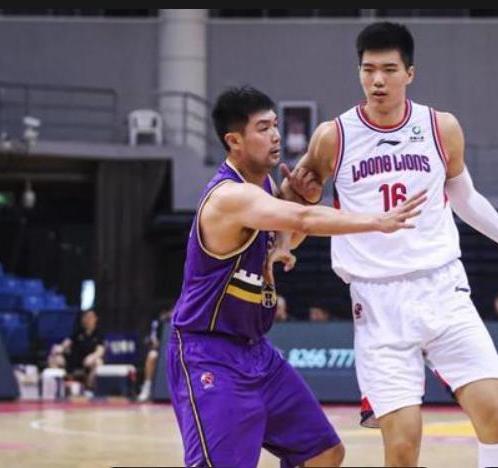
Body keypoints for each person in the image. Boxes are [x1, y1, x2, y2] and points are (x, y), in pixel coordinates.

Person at [279, 22, 498, 468]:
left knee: (494, 414)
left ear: (409, 73)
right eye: (368, 69)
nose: (377, 80)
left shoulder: (441, 127)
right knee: (402, 446)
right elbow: (298, 212)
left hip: (443, 287)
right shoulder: (333, 136)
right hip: (378, 300)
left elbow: (466, 199)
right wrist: (288, 234)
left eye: (389, 69)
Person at [167, 86, 426, 467]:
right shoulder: (229, 197)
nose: (275, 135)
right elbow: (302, 219)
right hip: (209, 352)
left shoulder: (265, 188)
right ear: (234, 141)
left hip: (255, 351)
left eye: (275, 125)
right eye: (263, 128)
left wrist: (297, 211)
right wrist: (376, 221)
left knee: (323, 454)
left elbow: (285, 238)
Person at [48, 309, 105, 391]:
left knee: (98, 362)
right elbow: (66, 343)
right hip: (73, 361)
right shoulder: (77, 331)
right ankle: (60, 387)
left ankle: (89, 388)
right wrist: (60, 348)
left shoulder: (99, 334)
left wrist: (92, 357)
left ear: (95, 319)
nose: (88, 320)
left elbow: (100, 350)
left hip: (87, 363)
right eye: (85, 317)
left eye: (90, 317)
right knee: (54, 359)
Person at [137, 306, 173, 402]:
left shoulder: (180, 322)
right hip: (160, 351)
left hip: (176, 351)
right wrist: (154, 343)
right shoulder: (157, 323)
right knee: (152, 355)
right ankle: (147, 387)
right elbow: (150, 339)